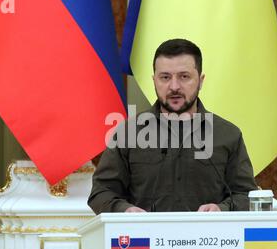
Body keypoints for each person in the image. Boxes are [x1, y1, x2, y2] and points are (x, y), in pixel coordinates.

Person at [88, 38, 257, 214]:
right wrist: (125, 210)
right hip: (145, 239)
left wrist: (221, 209)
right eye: (165, 77)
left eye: (184, 77)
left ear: (200, 80)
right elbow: (101, 193)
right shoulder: (128, 133)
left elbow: (246, 195)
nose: (174, 86)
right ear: (154, 81)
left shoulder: (228, 135)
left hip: (209, 239)